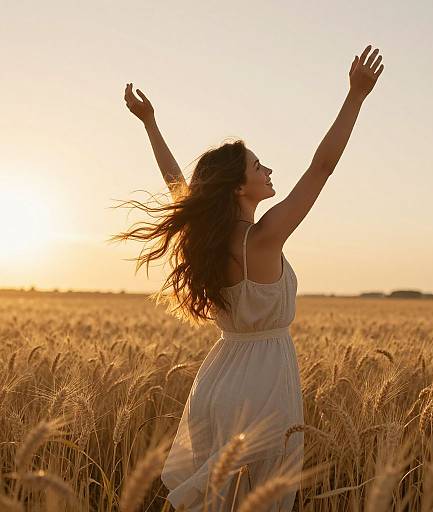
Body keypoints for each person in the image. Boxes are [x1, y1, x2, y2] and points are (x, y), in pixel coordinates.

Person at [119, 44, 384, 511]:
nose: (269, 170)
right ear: (240, 187)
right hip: (264, 386)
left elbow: (176, 183)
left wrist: (150, 124)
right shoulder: (262, 239)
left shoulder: (208, 238)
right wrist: (355, 99)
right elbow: (322, 168)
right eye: (259, 166)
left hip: (218, 382)